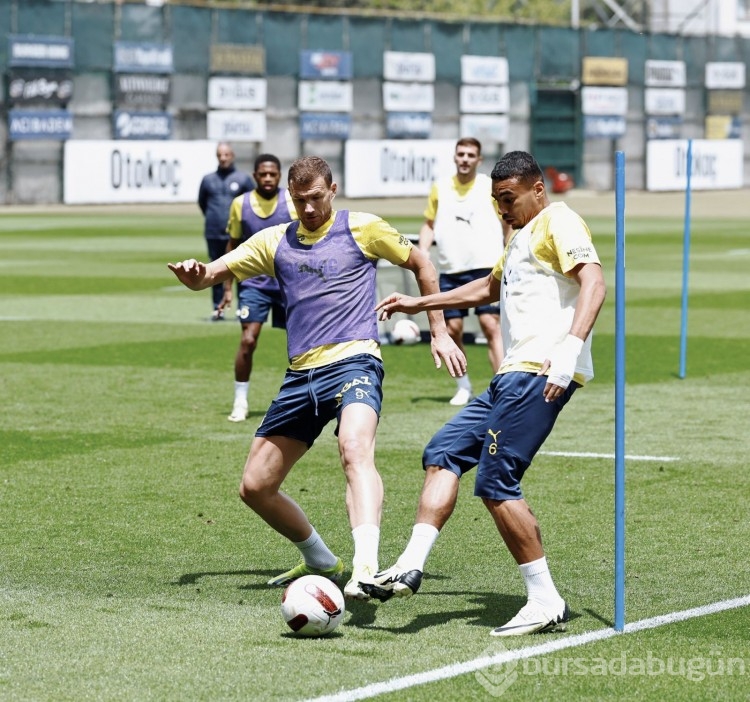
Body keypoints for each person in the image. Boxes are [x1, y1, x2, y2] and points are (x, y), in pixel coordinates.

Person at [168, 156, 466, 600]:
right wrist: (195, 275)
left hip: (355, 362)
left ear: (332, 189)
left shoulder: (362, 228)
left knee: (354, 449)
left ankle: (365, 568)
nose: (308, 208)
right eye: (299, 200)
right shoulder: (274, 241)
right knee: (255, 487)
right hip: (301, 375)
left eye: (315, 198)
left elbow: (422, 264)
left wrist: (438, 331)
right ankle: (322, 560)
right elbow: (210, 275)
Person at [364, 151, 606, 636]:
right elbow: (486, 288)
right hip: (509, 377)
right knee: (443, 452)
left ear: (538, 189)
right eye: (496, 201)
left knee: (496, 483)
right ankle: (411, 565)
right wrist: (420, 301)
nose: (502, 209)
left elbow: (594, 283)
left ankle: (544, 599)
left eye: (508, 199)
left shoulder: (559, 220)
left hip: (540, 372)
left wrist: (569, 351)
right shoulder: (519, 240)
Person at [418, 137, 510, 406]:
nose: (465, 158)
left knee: (490, 325)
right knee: (451, 328)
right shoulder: (440, 188)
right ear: (455, 157)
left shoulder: (487, 186)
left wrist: (508, 246)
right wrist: (423, 250)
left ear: (479, 160)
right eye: (461, 154)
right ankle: (464, 385)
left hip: (487, 266)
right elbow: (429, 223)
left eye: (471, 155)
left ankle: (502, 388)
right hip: (450, 267)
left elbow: (506, 219)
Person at [220, 154, 297, 422]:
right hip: (254, 283)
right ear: (254, 175)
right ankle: (240, 401)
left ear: (279, 176)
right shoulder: (240, 204)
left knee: (304, 344)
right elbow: (232, 245)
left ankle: (308, 399)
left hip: (289, 283)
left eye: (272, 174)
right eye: (262, 174)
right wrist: (227, 288)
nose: (267, 178)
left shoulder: (291, 201)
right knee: (248, 340)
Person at [197, 142, 254, 320]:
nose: (223, 158)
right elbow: (202, 202)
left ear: (232, 156)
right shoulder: (208, 180)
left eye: (226, 155)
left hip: (238, 234)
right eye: (220, 155)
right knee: (213, 270)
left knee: (240, 268)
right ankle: (217, 308)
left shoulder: (243, 179)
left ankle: (242, 308)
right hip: (214, 232)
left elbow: (251, 203)